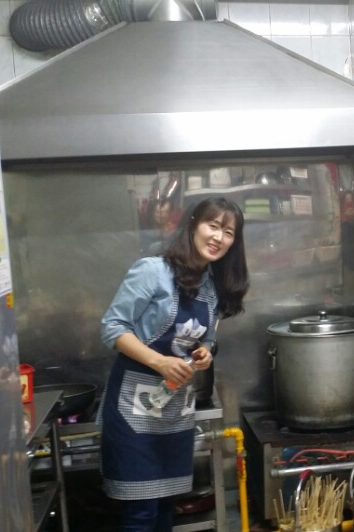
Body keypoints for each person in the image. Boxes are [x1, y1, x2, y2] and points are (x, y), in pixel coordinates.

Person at [100, 197, 249, 531]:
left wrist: (205, 352)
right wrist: (159, 362)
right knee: (141, 512)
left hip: (175, 409)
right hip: (134, 411)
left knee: (167, 506)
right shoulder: (153, 270)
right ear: (193, 224)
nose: (219, 237)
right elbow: (113, 328)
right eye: (213, 225)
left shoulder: (211, 285)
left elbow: (207, 337)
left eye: (228, 232)